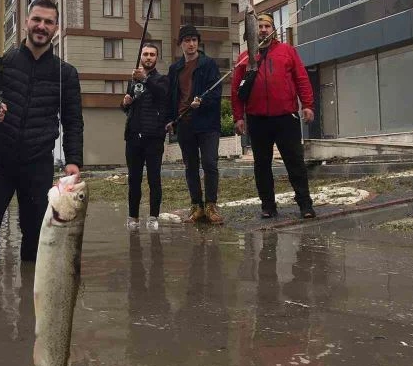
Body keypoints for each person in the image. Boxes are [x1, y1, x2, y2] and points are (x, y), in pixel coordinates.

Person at [0, 0, 84, 264]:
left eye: (48, 22)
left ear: (56, 28)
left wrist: (74, 160)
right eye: (37, 20)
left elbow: (73, 120)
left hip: (37, 163)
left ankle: (30, 288)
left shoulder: (66, 74)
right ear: (25, 23)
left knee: (36, 234)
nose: (41, 26)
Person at [230, 12, 316, 219]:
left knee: (295, 162)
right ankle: (268, 205)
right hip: (257, 118)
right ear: (253, 31)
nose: (263, 30)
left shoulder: (287, 51)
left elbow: (301, 78)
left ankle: (305, 204)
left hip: (286, 117)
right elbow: (236, 89)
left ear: (273, 29)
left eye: (266, 26)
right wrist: (238, 117)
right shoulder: (245, 57)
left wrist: (307, 105)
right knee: (262, 165)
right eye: (259, 26)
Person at [165, 24, 224, 224]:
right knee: (190, 166)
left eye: (194, 40)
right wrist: (170, 119)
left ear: (198, 42)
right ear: (180, 44)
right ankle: (197, 206)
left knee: (210, 163)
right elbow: (171, 97)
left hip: (207, 124)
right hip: (185, 123)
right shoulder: (174, 69)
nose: (191, 44)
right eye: (187, 41)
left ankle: (211, 205)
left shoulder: (208, 64)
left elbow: (216, 93)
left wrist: (202, 102)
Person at [121, 43, 169, 231]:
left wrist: (146, 80)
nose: (148, 57)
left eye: (152, 54)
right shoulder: (133, 80)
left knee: (154, 179)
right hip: (133, 136)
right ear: (140, 57)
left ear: (156, 58)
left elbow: (162, 95)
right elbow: (128, 109)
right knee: (133, 179)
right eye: (145, 54)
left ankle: (153, 216)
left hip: (154, 136)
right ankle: (133, 216)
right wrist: (125, 103)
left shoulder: (162, 79)